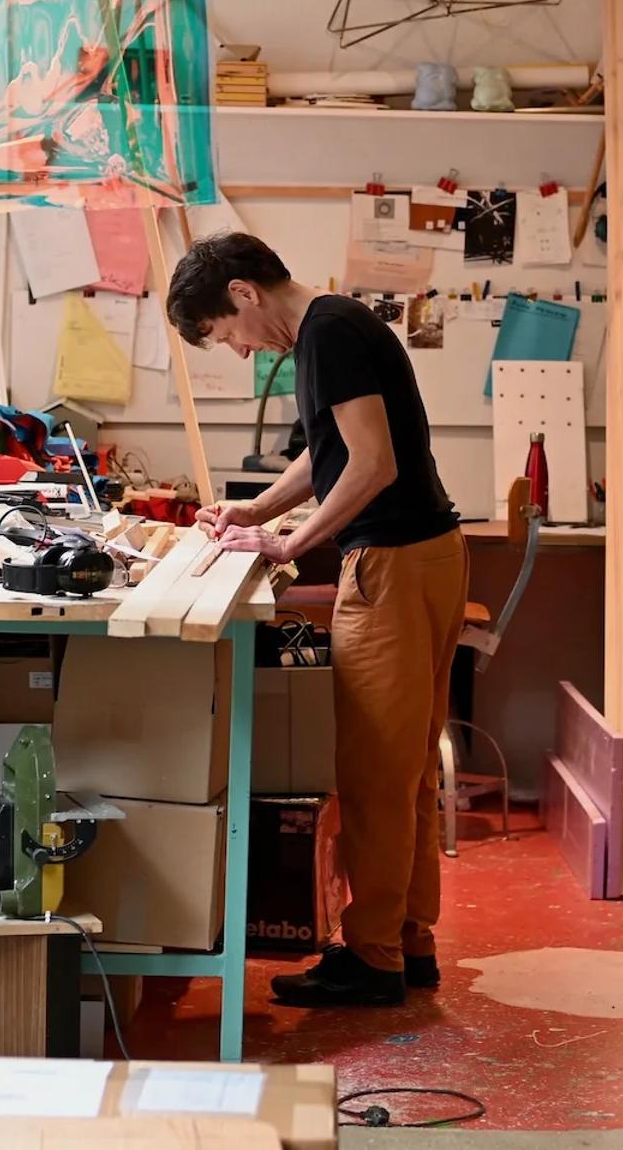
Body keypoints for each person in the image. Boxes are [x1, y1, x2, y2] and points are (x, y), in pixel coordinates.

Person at [167, 231, 467, 1009]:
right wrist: (260, 507)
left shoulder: (326, 333)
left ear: (242, 294)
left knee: (373, 777)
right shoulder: (333, 327)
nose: (236, 351)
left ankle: (372, 962)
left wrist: (289, 542)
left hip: (393, 568)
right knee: (407, 774)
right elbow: (333, 451)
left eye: (224, 334)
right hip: (430, 555)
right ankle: (407, 940)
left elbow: (373, 466)